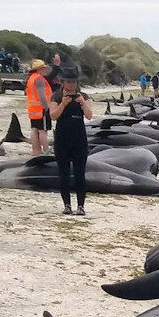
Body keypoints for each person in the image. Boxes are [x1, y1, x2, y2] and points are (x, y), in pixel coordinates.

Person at [50, 65, 92, 215]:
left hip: (79, 140)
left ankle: (81, 206)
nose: (71, 84)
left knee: (80, 174)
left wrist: (82, 103)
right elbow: (53, 116)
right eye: (68, 81)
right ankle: (67, 205)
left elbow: (89, 115)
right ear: (63, 82)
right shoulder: (56, 96)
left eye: (73, 82)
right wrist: (63, 103)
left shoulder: (83, 96)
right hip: (62, 140)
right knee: (64, 174)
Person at [25, 59, 52, 155]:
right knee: (43, 131)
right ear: (39, 69)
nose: (45, 70)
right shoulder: (39, 79)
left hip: (33, 109)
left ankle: (35, 150)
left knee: (34, 129)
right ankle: (46, 150)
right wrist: (46, 107)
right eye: (43, 68)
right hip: (41, 109)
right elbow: (42, 95)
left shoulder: (31, 78)